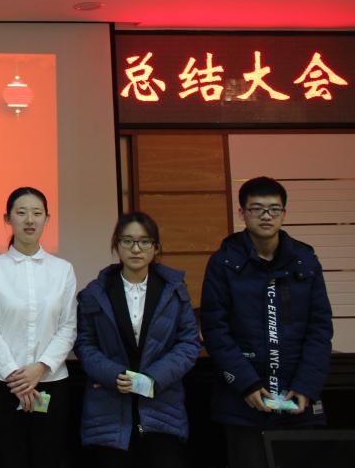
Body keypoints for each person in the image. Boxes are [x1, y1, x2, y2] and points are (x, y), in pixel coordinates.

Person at [201, 176, 333, 468]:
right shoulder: (223, 262)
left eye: (274, 209)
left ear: (284, 213)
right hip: (243, 400)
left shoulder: (305, 260)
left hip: (297, 396)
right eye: (257, 209)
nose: (266, 216)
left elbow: (320, 328)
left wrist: (306, 385)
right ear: (242, 213)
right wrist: (246, 385)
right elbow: (215, 330)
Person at [75, 211, 200, 468]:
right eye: (128, 241)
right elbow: (85, 345)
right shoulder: (95, 293)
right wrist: (114, 375)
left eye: (144, 242)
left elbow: (188, 344)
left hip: (162, 405)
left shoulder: (175, 291)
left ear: (156, 248)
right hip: (109, 407)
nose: (136, 249)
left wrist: (153, 379)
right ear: (116, 245)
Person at [0, 187, 76, 468]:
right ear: (7, 218)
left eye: (37, 213)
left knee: (48, 458)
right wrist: (16, 376)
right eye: (21, 213)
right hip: (1, 384)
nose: (29, 220)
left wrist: (40, 368)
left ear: (47, 219)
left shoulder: (63, 270)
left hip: (51, 381)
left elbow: (68, 327)